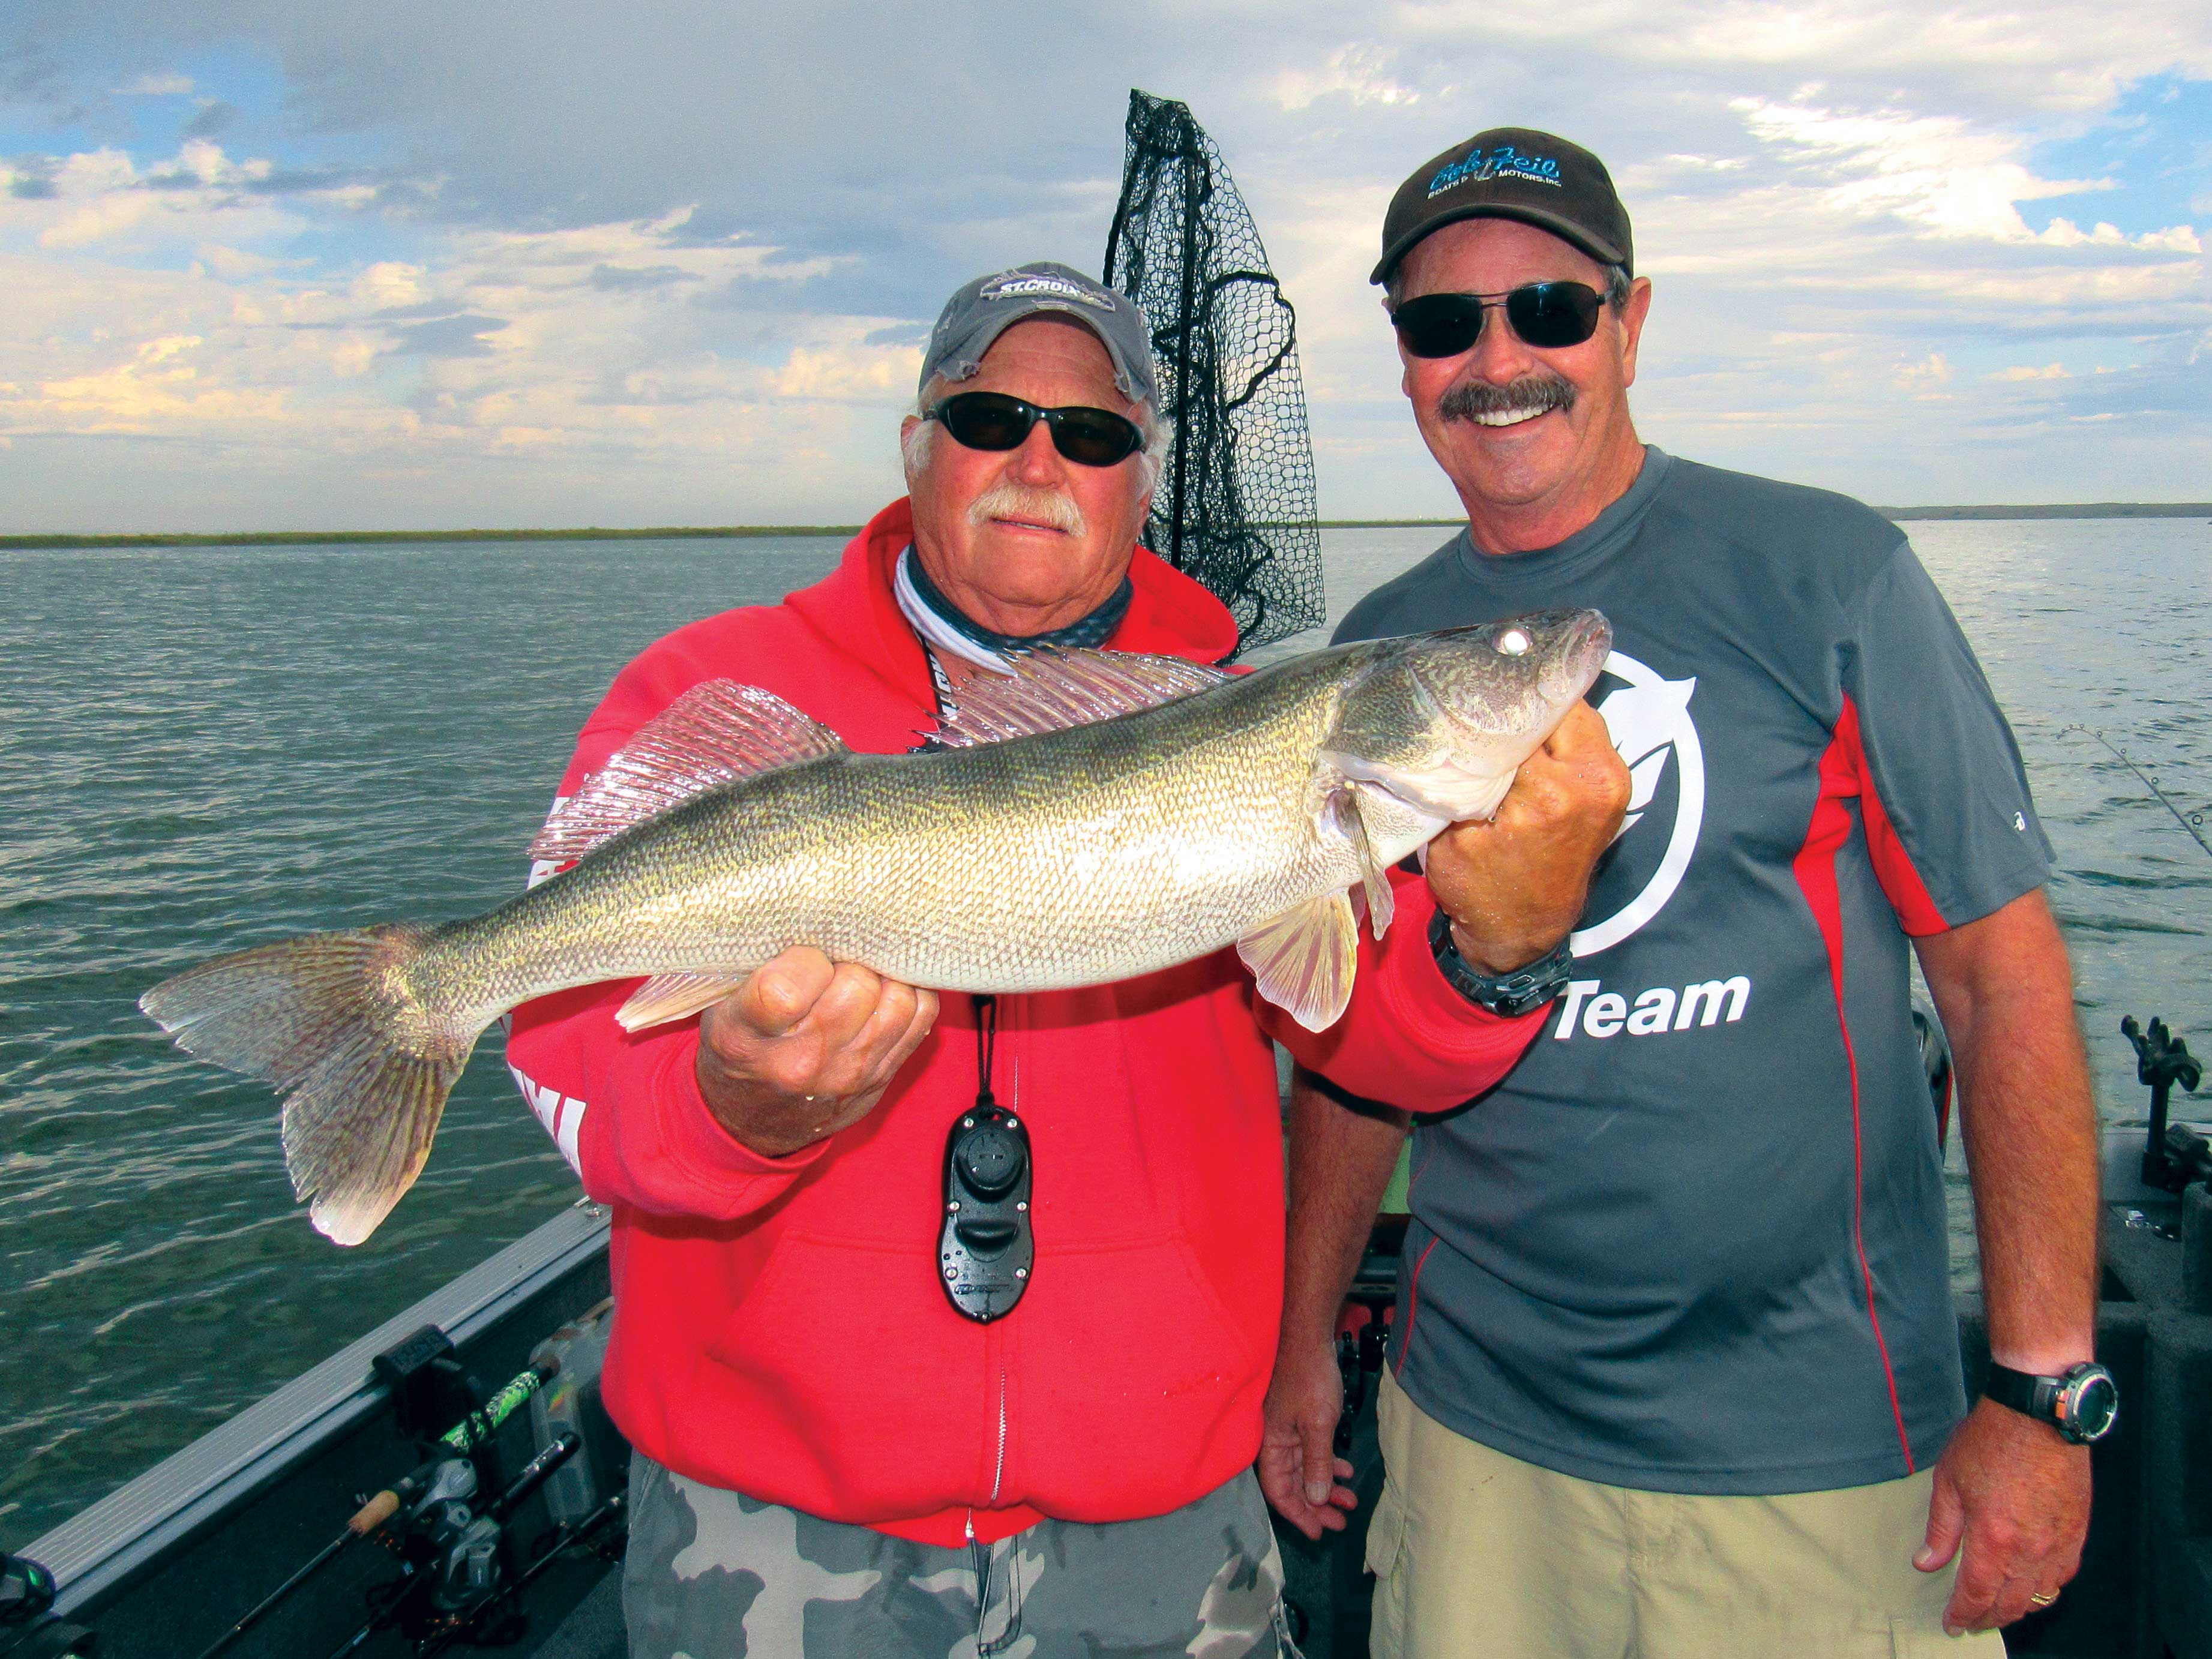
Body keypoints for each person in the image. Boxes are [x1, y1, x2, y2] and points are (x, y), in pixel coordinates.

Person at [504, 260, 1625, 1657]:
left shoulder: (1249, 714)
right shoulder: (711, 690)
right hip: (771, 1521)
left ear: (1139, 481)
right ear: (916, 447)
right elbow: (560, 1048)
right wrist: (730, 1114)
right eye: (990, 420)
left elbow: (1374, 1047)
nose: (1039, 462)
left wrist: (1507, 940)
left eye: (1091, 436)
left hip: (1158, 1518)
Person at [1260, 130, 2109, 1656]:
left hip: (1828, 1456)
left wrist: (2043, 1389)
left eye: (1550, 310)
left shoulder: (1828, 576)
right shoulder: (1377, 654)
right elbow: (1350, 1060)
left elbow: (2002, 984)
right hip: (1475, 1442)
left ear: (1631, 321)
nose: (1496, 359)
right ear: (1402, 363)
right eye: (1442, 325)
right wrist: (1304, 1344)